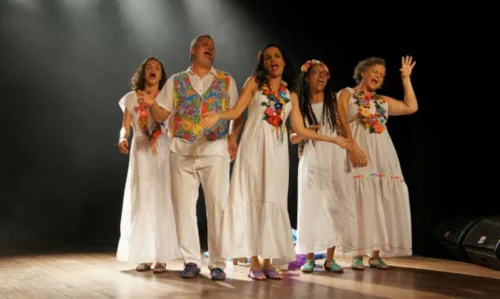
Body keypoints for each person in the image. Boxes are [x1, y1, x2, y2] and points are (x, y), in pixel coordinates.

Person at [201, 44, 351, 280]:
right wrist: (219, 116)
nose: (273, 60)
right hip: (252, 149)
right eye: (267, 57)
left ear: (283, 62)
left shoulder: (290, 96)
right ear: (263, 64)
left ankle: (268, 262)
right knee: (252, 196)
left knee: (273, 199)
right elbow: (237, 111)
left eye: (277, 56)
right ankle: (253, 262)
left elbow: (300, 130)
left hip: (277, 153)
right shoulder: (253, 83)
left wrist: (333, 140)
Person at [147, 34, 239, 280]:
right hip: (182, 150)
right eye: (205, 44)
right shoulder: (176, 81)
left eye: (213, 45)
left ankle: (218, 263)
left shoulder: (226, 80)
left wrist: (233, 137)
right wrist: (149, 103)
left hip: (215, 149)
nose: (210, 47)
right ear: (192, 50)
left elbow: (236, 113)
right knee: (183, 208)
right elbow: (160, 113)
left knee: (217, 207)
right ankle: (191, 261)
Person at [336, 55, 418, 270]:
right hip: (358, 152)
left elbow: (411, 107)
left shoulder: (381, 101)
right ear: (363, 72)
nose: (378, 77)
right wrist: (352, 147)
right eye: (375, 72)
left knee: (379, 199)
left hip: (383, 155)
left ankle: (375, 253)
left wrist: (406, 78)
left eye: (381, 76)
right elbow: (340, 121)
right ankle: (357, 252)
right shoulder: (347, 93)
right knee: (359, 200)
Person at [291, 59, 358, 274]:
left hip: (333, 157)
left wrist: (352, 148)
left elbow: (344, 127)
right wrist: (304, 131)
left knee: (333, 206)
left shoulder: (332, 101)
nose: (321, 77)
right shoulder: (299, 104)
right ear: (307, 77)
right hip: (311, 157)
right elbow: (292, 138)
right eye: (316, 73)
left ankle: (330, 258)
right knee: (311, 206)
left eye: (325, 74)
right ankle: (310, 257)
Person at [116, 57, 181, 273]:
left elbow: (169, 123)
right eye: (149, 67)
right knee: (142, 198)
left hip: (161, 149)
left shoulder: (166, 98)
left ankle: (160, 257)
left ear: (161, 75)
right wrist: (123, 138)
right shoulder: (131, 98)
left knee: (160, 197)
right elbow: (125, 126)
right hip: (141, 151)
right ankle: (143, 254)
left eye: (157, 68)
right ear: (143, 73)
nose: (153, 70)